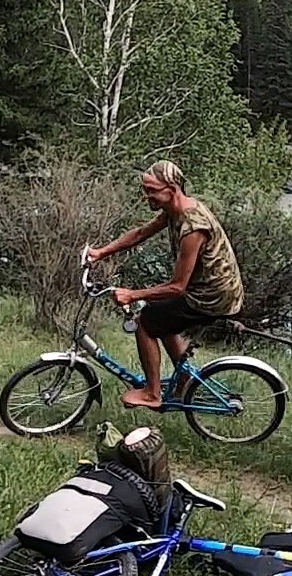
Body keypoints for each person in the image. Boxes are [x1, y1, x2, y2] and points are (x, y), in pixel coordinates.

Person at [84, 161, 244, 409]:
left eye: (152, 190)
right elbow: (140, 234)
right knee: (162, 315)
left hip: (212, 296)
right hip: (204, 289)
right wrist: (100, 253)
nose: (147, 196)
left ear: (172, 189)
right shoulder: (176, 210)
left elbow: (178, 287)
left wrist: (132, 295)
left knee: (146, 322)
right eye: (145, 189)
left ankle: (152, 393)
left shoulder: (193, 227)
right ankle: (184, 377)